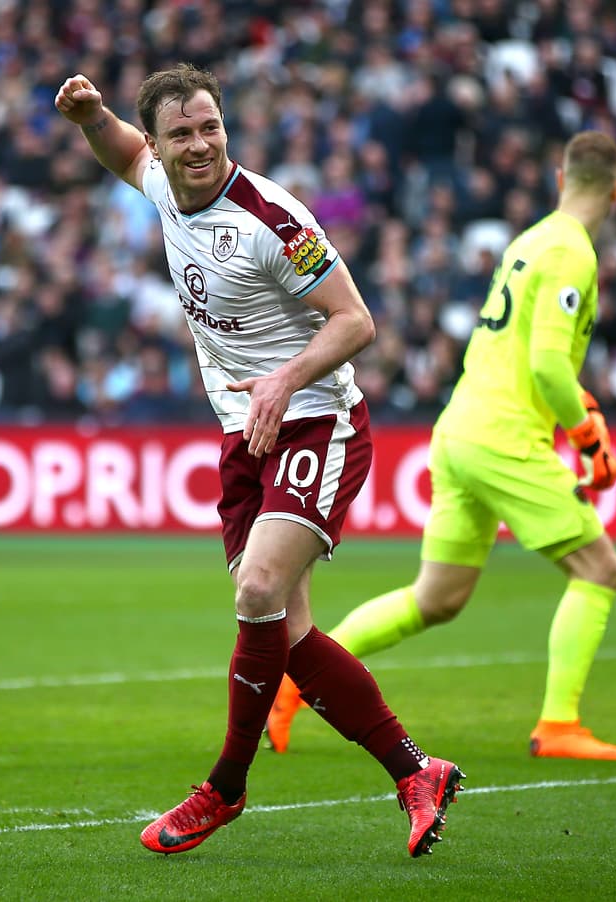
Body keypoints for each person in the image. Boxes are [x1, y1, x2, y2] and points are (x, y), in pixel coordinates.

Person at [56, 64, 463, 857]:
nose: (199, 144)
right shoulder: (161, 183)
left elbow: (355, 320)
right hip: (246, 432)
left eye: (210, 126)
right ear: (161, 146)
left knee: (258, 589)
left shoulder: (272, 221)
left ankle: (225, 787)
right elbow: (123, 152)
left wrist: (285, 378)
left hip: (316, 421)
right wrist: (91, 118)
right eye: (181, 133)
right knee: (288, 633)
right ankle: (418, 771)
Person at [267, 131, 616, 761]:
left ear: (559, 178)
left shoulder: (530, 240)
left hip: (460, 427)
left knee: (436, 598)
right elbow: (548, 364)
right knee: (599, 570)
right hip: (504, 437)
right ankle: (559, 725)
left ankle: (294, 683)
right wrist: (585, 433)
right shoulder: (573, 251)